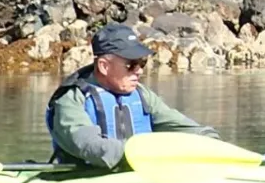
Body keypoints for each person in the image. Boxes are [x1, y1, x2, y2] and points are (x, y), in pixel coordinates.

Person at [46, 23, 218, 170]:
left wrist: (211, 140)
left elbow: (183, 127)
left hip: (138, 172)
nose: (140, 71)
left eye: (142, 63)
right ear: (104, 66)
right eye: (131, 65)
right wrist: (148, 154)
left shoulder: (141, 94)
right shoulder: (71, 99)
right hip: (85, 180)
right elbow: (90, 145)